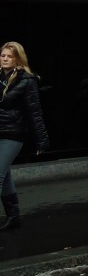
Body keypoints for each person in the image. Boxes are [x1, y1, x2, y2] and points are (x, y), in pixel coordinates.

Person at [0, 41, 49, 231]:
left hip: (13, 133)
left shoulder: (26, 80)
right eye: (2, 55)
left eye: (9, 56)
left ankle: (13, 216)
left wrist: (42, 140)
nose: (4, 59)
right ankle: (14, 216)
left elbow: (34, 111)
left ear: (17, 59)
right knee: (4, 176)